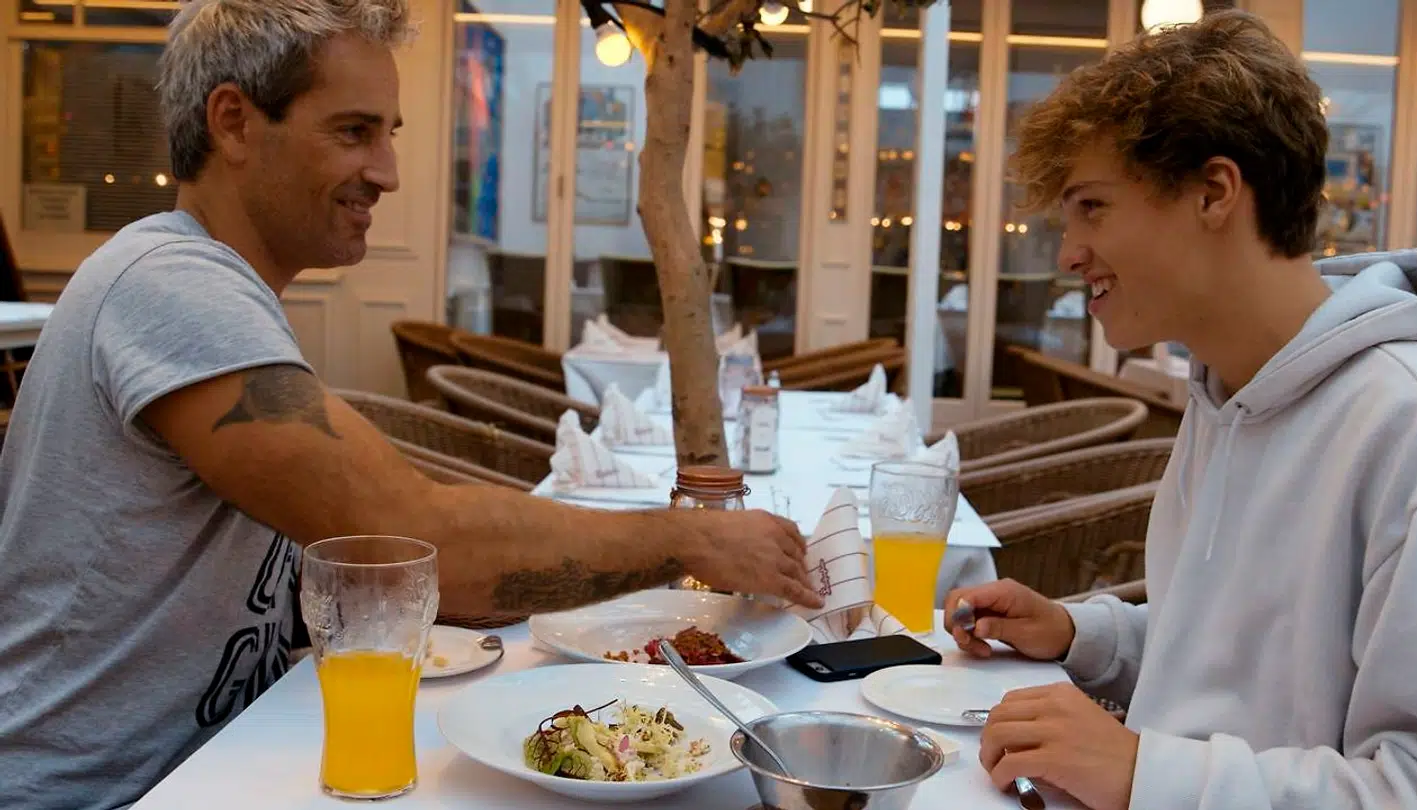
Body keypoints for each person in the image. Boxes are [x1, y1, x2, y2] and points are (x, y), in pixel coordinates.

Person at [0, 2, 821, 809]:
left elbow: (382, 562)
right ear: (234, 123)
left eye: (387, 134)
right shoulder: (173, 291)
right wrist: (688, 538)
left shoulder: (212, 289)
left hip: (212, 761)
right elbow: (418, 543)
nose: (387, 172)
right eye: (354, 132)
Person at [943, 11, 1417, 810]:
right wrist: (1083, 636)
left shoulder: (1411, 424)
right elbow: (1245, 667)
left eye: (1092, 207)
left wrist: (1144, 773)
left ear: (1214, 192)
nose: (1068, 252)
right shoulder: (1228, 392)